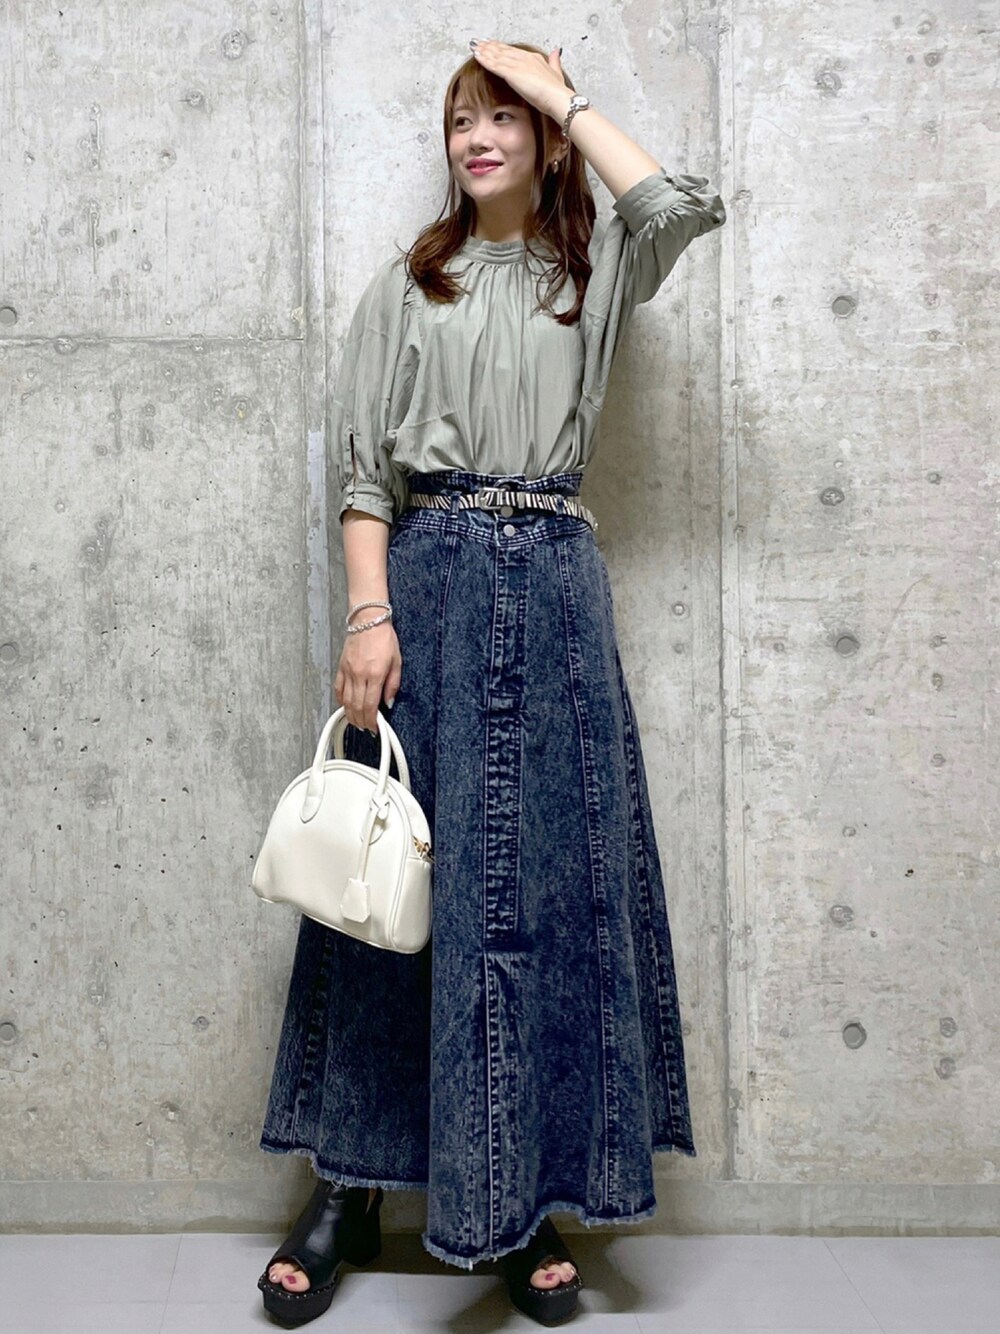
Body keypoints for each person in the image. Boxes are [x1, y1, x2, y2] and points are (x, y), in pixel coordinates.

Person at [256, 37, 726, 1326]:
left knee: (544, 900)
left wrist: (555, 87)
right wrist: (370, 613)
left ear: (543, 140)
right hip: (434, 587)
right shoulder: (411, 286)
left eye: (504, 118)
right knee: (388, 890)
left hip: (559, 595)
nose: (480, 137)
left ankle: (524, 1200)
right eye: (464, 119)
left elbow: (676, 205)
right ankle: (349, 1188)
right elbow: (367, 473)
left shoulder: (594, 274)